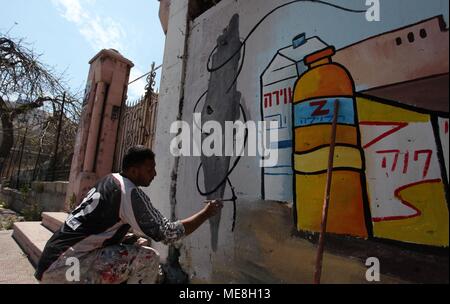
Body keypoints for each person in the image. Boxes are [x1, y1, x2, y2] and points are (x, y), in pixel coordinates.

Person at [35, 146, 223, 284]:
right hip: (66, 268)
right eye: (150, 169)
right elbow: (168, 233)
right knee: (148, 259)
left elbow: (100, 226)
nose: (155, 174)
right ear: (134, 170)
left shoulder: (110, 180)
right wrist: (207, 213)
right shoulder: (129, 192)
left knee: (135, 245)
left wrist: (129, 239)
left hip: (51, 261)